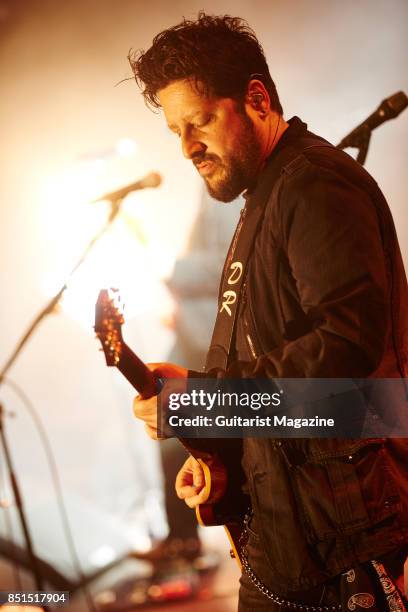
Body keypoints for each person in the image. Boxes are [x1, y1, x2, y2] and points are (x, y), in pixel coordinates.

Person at [128, 13, 408, 611]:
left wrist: (203, 400)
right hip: (292, 542)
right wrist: (226, 460)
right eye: (176, 130)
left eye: (199, 121)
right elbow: (279, 377)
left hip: (345, 550)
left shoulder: (316, 187)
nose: (186, 148)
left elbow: (343, 365)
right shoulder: (268, 196)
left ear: (256, 98)